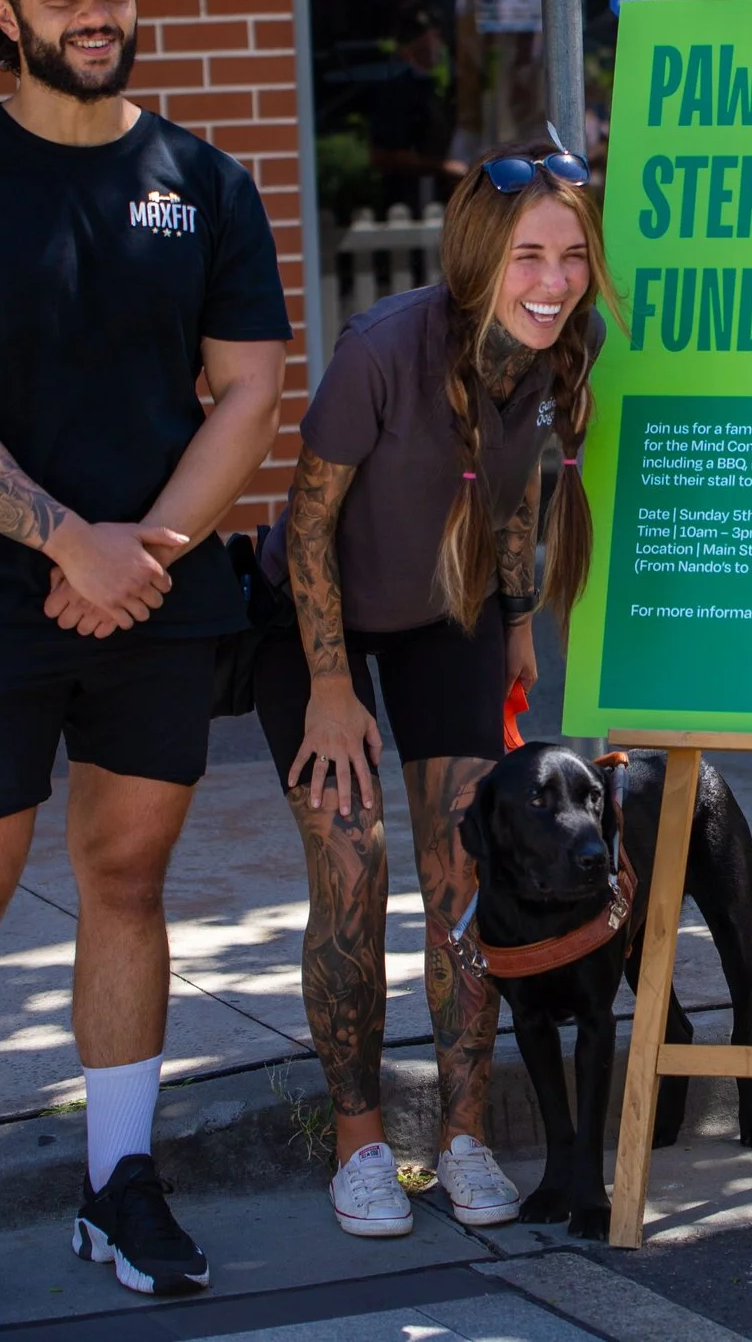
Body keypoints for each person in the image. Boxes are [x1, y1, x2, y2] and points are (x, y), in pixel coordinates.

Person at [0, 0, 292, 1336]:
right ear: (5, 15)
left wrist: (146, 548)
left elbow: (249, 386)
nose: (93, 12)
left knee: (127, 882)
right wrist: (63, 538)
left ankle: (119, 1178)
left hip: (160, 595)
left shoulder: (206, 181)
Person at [251, 134, 609, 1239]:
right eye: (528, 257)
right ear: (476, 255)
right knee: (352, 864)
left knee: (464, 870)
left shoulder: (562, 351)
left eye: (573, 256)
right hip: (313, 622)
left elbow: (520, 496)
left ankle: (461, 1132)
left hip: (444, 613)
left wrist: (513, 626)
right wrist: (327, 685)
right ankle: (360, 1144)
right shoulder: (381, 348)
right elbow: (308, 523)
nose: (552, 283)